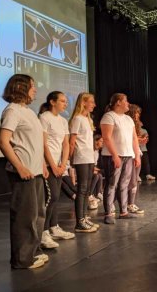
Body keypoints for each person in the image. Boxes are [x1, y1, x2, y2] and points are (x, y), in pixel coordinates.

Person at [0, 74, 49, 269]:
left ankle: (33, 252)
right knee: (24, 217)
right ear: (20, 87)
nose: (35, 90)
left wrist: (42, 163)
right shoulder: (12, 111)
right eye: (32, 86)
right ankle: (22, 259)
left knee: (37, 215)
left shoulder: (28, 111)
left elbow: (34, 142)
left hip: (35, 171)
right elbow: (3, 141)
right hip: (23, 172)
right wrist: (20, 166)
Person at [39, 91, 75, 249]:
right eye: (62, 101)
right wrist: (52, 165)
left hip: (60, 164)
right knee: (51, 197)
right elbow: (43, 144)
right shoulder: (44, 117)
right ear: (52, 102)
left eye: (66, 101)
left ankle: (54, 227)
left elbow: (66, 144)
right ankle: (43, 232)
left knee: (55, 197)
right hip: (48, 164)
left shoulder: (63, 120)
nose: (65, 104)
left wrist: (63, 163)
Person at [100, 93, 141, 224]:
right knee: (112, 184)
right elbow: (106, 138)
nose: (128, 103)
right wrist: (115, 155)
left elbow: (134, 138)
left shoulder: (128, 119)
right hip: (113, 156)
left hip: (128, 155)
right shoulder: (109, 116)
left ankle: (123, 212)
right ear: (118, 102)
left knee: (124, 184)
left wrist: (136, 155)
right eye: (126, 101)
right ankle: (108, 213)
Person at [69, 92, 99, 233]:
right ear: (84, 102)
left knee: (87, 189)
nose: (94, 105)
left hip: (89, 157)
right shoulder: (77, 119)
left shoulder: (88, 119)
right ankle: (79, 222)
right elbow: (72, 140)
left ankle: (85, 217)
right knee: (82, 188)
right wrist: (69, 158)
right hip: (80, 157)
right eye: (91, 102)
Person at [126, 104, 145, 214]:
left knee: (135, 179)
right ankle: (128, 204)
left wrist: (139, 140)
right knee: (131, 180)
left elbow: (133, 138)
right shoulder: (128, 122)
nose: (138, 115)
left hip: (137, 152)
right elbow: (127, 138)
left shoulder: (135, 124)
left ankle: (131, 203)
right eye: (136, 112)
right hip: (131, 153)